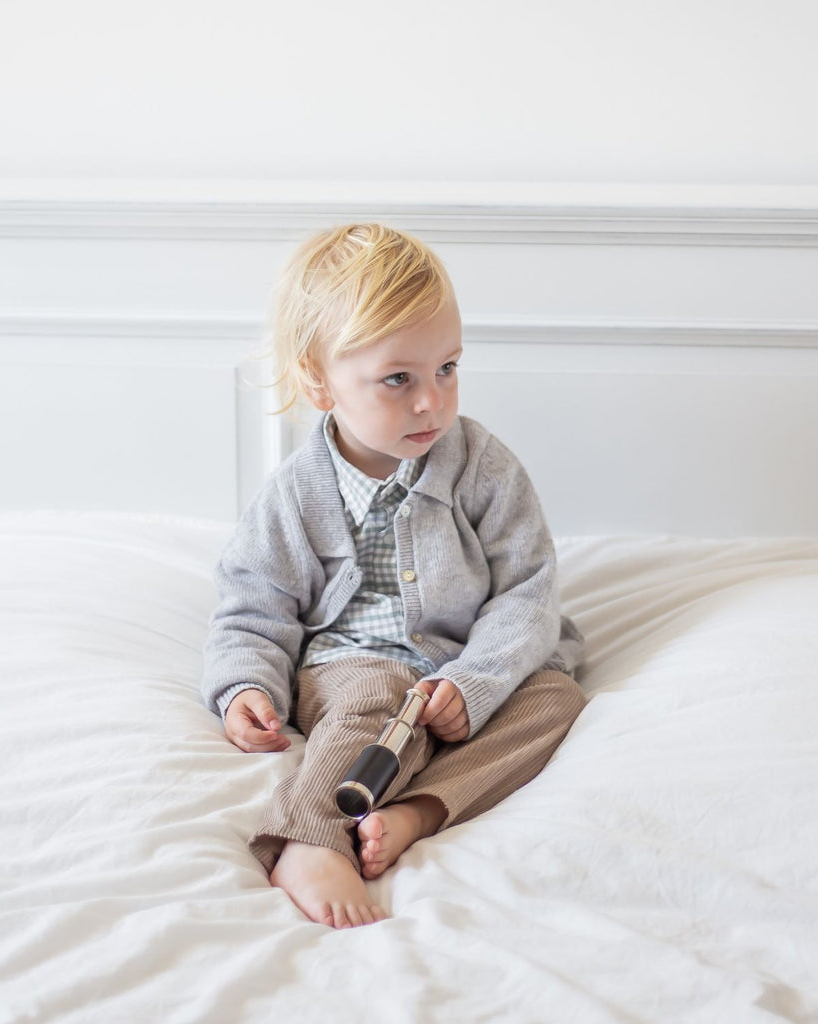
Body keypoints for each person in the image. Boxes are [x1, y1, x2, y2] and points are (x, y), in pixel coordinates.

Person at [201, 223, 586, 929]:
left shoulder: (482, 465)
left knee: (555, 698)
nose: (430, 402)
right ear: (318, 381)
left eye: (447, 369)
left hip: (465, 670)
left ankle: (415, 810)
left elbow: (527, 592)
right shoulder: (294, 495)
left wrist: (477, 682)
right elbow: (253, 608)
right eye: (397, 379)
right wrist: (244, 687)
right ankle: (308, 836)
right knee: (376, 694)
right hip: (355, 665)